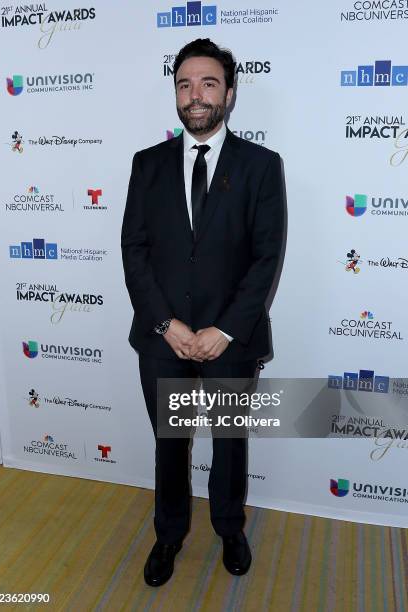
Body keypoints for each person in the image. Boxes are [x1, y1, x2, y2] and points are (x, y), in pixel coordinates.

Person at [121, 38, 285, 587]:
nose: (195, 95)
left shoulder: (262, 166)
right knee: (169, 443)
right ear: (175, 93)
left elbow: (266, 255)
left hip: (229, 340)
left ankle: (228, 527)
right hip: (162, 338)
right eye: (184, 83)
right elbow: (134, 251)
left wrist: (226, 329)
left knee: (229, 443)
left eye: (208, 83)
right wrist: (167, 325)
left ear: (230, 94)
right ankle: (168, 534)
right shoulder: (146, 166)